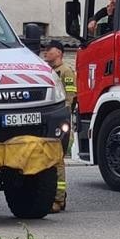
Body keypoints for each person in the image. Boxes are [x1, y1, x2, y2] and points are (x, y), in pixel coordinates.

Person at [43, 40, 78, 213]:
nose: (46, 52)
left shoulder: (66, 72)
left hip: (59, 120)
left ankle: (58, 199)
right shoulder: (49, 72)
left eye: (49, 50)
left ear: (59, 53)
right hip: (50, 120)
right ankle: (57, 196)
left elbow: (69, 98)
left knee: (58, 160)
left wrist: (61, 118)